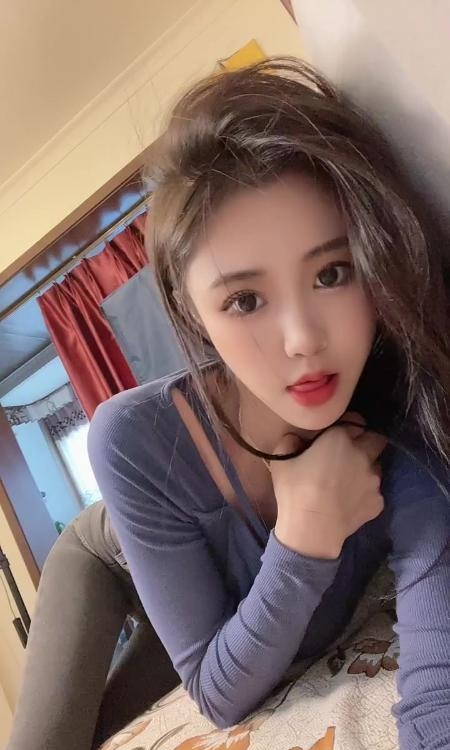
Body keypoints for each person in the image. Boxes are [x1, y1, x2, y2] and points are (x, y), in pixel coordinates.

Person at [87, 58, 450, 747]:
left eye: (332, 273)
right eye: (245, 300)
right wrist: (305, 534)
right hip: (112, 533)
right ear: (192, 313)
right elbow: (216, 695)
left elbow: (439, 688)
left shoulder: (405, 418)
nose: (303, 340)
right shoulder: (131, 438)